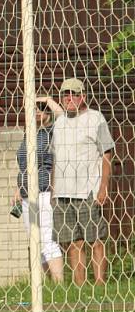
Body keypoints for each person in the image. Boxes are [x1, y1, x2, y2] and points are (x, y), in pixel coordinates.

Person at [50, 78, 115, 286]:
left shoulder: (96, 118)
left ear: (83, 96)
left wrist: (103, 187)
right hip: (62, 192)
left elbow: (106, 155)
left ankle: (99, 283)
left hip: (88, 190)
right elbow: (55, 158)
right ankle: (80, 285)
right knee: (73, 242)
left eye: (74, 94)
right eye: (65, 94)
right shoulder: (59, 123)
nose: (69, 98)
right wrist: (53, 189)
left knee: (95, 239)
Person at [13, 96, 64, 283]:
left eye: (40, 109)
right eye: (33, 109)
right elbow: (24, 164)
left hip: (43, 191)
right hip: (26, 195)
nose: (36, 112)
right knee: (35, 241)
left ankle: (59, 284)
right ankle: (47, 286)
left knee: (46, 239)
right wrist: (18, 188)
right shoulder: (30, 133)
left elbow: (62, 115)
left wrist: (47, 99)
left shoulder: (52, 130)